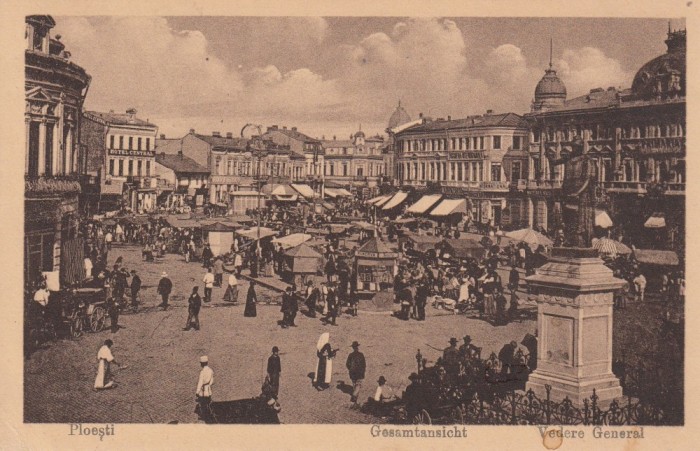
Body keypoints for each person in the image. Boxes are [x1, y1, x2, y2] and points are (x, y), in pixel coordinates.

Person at [196, 356, 215, 424]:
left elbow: (200, 382)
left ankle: (205, 416)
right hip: (208, 389)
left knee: (203, 403)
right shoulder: (210, 370)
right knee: (209, 402)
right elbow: (212, 380)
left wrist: (197, 391)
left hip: (203, 390)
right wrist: (209, 385)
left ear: (202, 363)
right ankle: (210, 414)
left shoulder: (202, 372)